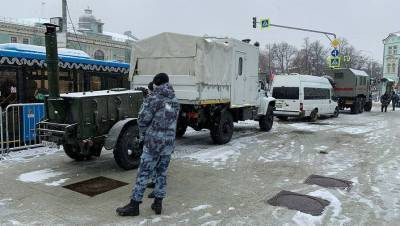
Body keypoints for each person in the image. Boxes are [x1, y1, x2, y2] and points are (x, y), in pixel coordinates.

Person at [116, 73, 180, 216]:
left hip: (153, 144)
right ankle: (158, 203)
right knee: (161, 173)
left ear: (156, 84)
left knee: (143, 173)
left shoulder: (153, 99)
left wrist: (144, 135)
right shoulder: (175, 100)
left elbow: (142, 120)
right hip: (168, 144)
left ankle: (134, 205)